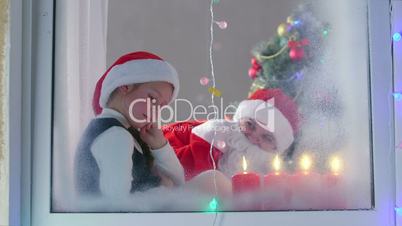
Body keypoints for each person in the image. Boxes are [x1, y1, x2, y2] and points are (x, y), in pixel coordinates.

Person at [74, 51, 185, 198]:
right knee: (211, 182)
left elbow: (179, 183)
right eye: (152, 98)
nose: (155, 111)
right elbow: (117, 202)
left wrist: (160, 146)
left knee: (210, 181)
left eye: (161, 106)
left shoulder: (127, 134)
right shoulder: (115, 136)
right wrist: (162, 187)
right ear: (125, 86)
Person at [163, 88, 299, 180]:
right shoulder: (215, 134)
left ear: (276, 148)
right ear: (240, 118)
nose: (253, 137)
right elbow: (187, 174)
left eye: (267, 137)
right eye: (250, 125)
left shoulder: (270, 168)